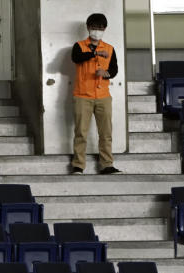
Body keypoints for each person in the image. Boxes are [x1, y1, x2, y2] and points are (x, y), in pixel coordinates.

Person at [70, 13, 120, 174]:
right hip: (82, 96)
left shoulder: (110, 49)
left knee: (106, 133)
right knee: (81, 132)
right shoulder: (79, 46)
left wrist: (107, 74)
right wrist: (96, 54)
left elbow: (114, 69)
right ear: (88, 28)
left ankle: (107, 164)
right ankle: (78, 165)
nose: (96, 31)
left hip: (103, 97)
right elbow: (76, 58)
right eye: (93, 28)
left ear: (104, 29)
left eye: (100, 28)